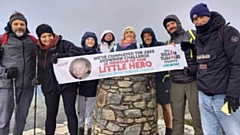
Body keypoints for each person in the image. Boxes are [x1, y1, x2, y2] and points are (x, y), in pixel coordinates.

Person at [189, 3, 240, 135]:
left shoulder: (227, 32)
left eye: (201, 17)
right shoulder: (199, 38)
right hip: (204, 97)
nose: (199, 22)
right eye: (195, 19)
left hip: (224, 97)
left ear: (208, 15)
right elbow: (204, 64)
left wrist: (233, 94)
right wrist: (192, 70)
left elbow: (237, 64)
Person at [32, 24, 84, 135]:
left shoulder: (64, 44)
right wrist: (37, 79)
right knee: (51, 114)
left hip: (67, 85)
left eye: (49, 35)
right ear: (39, 38)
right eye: (44, 36)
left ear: (53, 34)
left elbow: (79, 53)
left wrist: (62, 56)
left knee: (70, 112)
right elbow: (40, 69)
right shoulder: (38, 51)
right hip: (49, 87)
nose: (47, 39)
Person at [163, 14, 203, 135]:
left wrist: (192, 47)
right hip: (176, 83)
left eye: (172, 23)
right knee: (177, 118)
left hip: (192, 80)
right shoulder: (168, 43)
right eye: (168, 25)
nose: (170, 26)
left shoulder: (191, 34)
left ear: (178, 23)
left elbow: (204, 49)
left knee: (197, 116)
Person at [0, 11, 37, 135]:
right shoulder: (3, 40)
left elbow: (41, 59)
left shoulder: (32, 41)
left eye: (22, 24)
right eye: (16, 24)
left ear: (26, 26)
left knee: (21, 119)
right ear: (10, 25)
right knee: (3, 120)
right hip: (7, 86)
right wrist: (5, 72)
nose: (19, 26)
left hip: (27, 86)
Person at [140, 27, 172, 135]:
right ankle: (155, 129)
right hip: (149, 82)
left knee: (166, 105)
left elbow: (170, 52)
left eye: (149, 36)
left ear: (152, 36)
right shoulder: (141, 49)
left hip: (162, 80)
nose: (147, 38)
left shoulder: (160, 45)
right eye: (144, 36)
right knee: (154, 106)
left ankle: (169, 130)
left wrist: (172, 47)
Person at [78, 32, 101, 135]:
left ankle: (90, 130)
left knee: (90, 111)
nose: (90, 41)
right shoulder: (78, 53)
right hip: (80, 88)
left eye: (92, 40)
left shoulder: (98, 55)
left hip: (93, 87)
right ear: (84, 41)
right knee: (80, 112)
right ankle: (80, 129)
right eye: (88, 39)